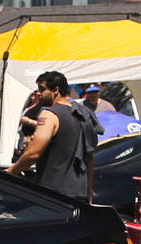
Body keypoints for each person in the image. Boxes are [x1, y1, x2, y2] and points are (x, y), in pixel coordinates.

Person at [7, 71, 87, 203]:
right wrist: (89, 196)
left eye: (42, 89)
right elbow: (89, 156)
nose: (38, 93)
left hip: (53, 193)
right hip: (78, 191)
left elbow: (34, 153)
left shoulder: (48, 114)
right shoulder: (82, 114)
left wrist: (11, 171)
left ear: (56, 90)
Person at [74, 83, 106, 201]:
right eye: (90, 92)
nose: (93, 95)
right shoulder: (81, 106)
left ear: (99, 92)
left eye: (95, 92)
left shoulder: (107, 106)